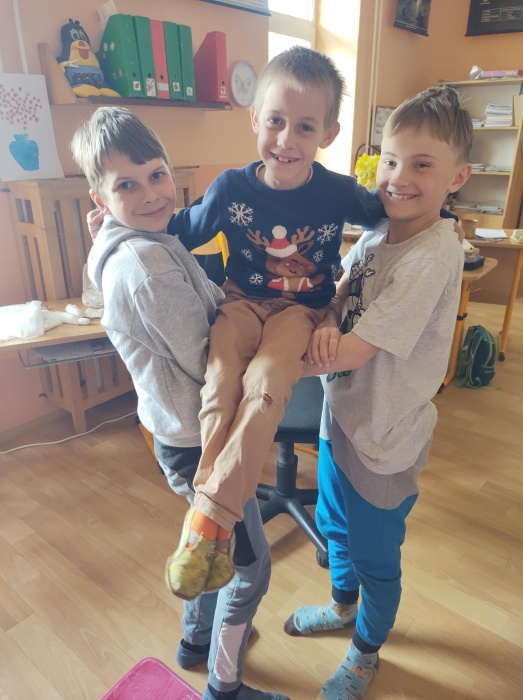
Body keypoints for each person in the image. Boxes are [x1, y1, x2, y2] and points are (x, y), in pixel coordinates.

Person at [161, 47, 461, 601]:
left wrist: (444, 213)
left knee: (263, 386)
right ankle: (215, 517)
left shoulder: (337, 191)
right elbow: (181, 227)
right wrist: (120, 222)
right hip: (240, 303)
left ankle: (207, 523)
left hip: (299, 312)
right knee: (219, 385)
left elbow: (391, 209)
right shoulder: (230, 188)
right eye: (275, 121)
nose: (286, 139)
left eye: (305, 127)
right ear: (255, 118)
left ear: (328, 133)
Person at [71, 106, 289, 700]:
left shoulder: (140, 239)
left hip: (179, 431)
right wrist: (274, 342)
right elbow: (207, 360)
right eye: (127, 185)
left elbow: (206, 299)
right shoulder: (145, 266)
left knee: (209, 542)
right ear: (101, 198)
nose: (150, 194)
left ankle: (197, 640)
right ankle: (224, 683)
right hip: (199, 441)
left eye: (156, 174)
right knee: (250, 567)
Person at [283, 85, 473, 699]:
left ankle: (366, 652)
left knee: (374, 557)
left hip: (384, 440)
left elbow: (358, 349)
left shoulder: (431, 256)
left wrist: (268, 367)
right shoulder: (375, 236)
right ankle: (343, 608)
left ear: (457, 177)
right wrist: (326, 315)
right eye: (390, 160)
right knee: (334, 526)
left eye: (422, 164)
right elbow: (338, 298)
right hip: (341, 417)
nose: (399, 178)